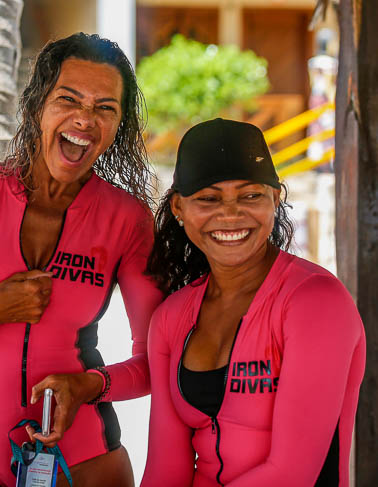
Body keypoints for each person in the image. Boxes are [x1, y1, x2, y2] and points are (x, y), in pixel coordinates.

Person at [0, 33, 163, 487]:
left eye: (105, 108)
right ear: (37, 103)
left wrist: (89, 386)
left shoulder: (127, 220)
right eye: (69, 99)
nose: (85, 119)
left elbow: (158, 359)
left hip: (84, 457)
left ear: (118, 125)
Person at [138, 118, 365, 486]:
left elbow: (292, 474)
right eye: (208, 199)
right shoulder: (171, 318)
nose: (230, 214)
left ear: (275, 199)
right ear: (179, 208)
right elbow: (166, 470)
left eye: (250, 196)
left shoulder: (315, 302)